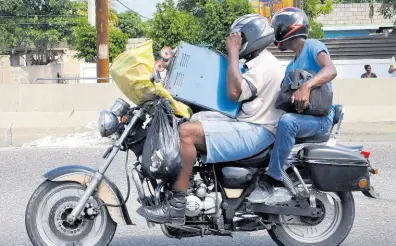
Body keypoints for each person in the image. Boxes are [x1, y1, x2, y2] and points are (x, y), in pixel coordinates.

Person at [137, 14, 285, 224]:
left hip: (258, 130)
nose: (234, 41)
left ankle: (177, 204)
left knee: (186, 133)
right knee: (190, 118)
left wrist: (233, 52)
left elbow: (234, 92)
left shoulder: (264, 65)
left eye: (239, 37)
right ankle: (190, 186)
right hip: (250, 123)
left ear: (251, 36)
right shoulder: (257, 61)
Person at [261, 7, 337, 188]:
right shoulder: (290, 66)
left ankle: (272, 179)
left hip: (321, 119)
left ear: (286, 28)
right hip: (303, 117)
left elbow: (331, 70)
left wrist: (307, 85)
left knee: (288, 122)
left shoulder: (313, 46)